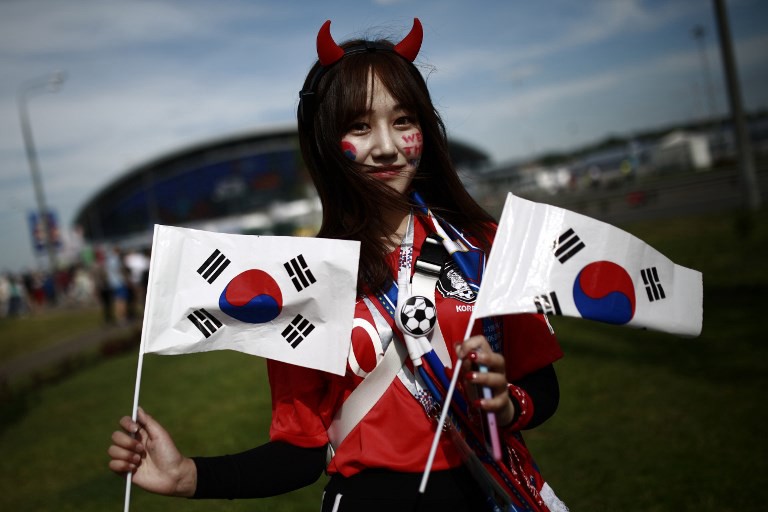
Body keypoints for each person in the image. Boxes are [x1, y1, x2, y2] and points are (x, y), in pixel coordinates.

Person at [109, 18, 567, 511]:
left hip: (491, 494)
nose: (387, 147)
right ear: (328, 141)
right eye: (360, 126)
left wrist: (508, 404)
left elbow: (542, 385)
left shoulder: (482, 243)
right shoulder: (304, 277)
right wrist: (187, 476)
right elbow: (300, 451)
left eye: (404, 121)